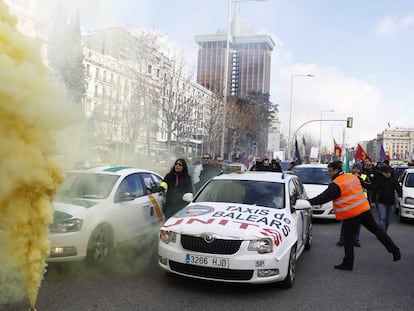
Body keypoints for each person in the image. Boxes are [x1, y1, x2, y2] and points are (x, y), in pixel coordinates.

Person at [308, 161, 401, 271]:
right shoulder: (351, 177)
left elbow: (322, 198)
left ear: (336, 171)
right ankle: (395, 251)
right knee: (377, 230)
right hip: (363, 209)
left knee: (348, 239)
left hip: (351, 214)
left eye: (330, 171)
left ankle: (348, 263)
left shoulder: (336, 184)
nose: (328, 173)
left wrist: (307, 202)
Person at [337, 162, 371, 247]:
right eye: (354, 168)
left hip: (360, 204)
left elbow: (369, 186)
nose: (356, 170)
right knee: (345, 223)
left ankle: (355, 240)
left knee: (358, 223)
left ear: (360, 170)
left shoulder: (364, 177)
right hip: (348, 203)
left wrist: (359, 179)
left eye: (357, 169)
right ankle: (342, 239)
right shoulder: (347, 176)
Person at [372, 165, 402, 232]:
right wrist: (373, 201)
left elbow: (398, 188)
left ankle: (384, 231)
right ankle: (382, 234)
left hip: (391, 203)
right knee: (382, 218)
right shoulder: (379, 180)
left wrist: (400, 196)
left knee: (388, 220)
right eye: (386, 172)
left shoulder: (393, 180)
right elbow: (374, 191)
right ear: (383, 173)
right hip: (381, 202)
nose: (388, 173)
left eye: (389, 172)